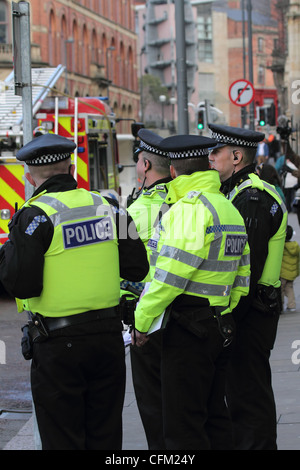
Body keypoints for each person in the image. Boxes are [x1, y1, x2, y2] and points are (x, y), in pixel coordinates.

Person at [0, 133, 148, 450]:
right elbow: (137, 268)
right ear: (71, 167)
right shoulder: (109, 206)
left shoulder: (34, 216)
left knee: (62, 437)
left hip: (58, 346)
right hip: (107, 340)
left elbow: (21, 284)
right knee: (105, 434)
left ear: (28, 175)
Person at [132, 134, 251, 450]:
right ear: (208, 164)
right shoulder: (228, 208)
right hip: (219, 324)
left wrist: (142, 322)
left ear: (173, 171)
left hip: (187, 329)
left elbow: (167, 279)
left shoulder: (188, 210)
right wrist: (222, 310)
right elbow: (243, 277)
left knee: (183, 427)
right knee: (215, 418)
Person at [208, 123, 287, 450]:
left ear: (237, 156)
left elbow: (244, 271)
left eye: (216, 152)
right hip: (253, 311)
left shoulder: (250, 199)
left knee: (247, 398)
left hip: (249, 313)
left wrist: (227, 321)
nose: (209, 158)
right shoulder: (245, 192)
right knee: (244, 394)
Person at [123, 128, 172, 450]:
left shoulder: (132, 213)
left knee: (154, 405)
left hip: (147, 321)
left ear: (143, 165)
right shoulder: (190, 204)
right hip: (191, 315)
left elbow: (121, 273)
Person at [280, 225, 300, 312]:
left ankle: (281, 305)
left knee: (281, 290)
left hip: (283, 273)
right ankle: (292, 305)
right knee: (290, 288)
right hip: (292, 274)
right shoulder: (295, 246)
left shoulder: (282, 247)